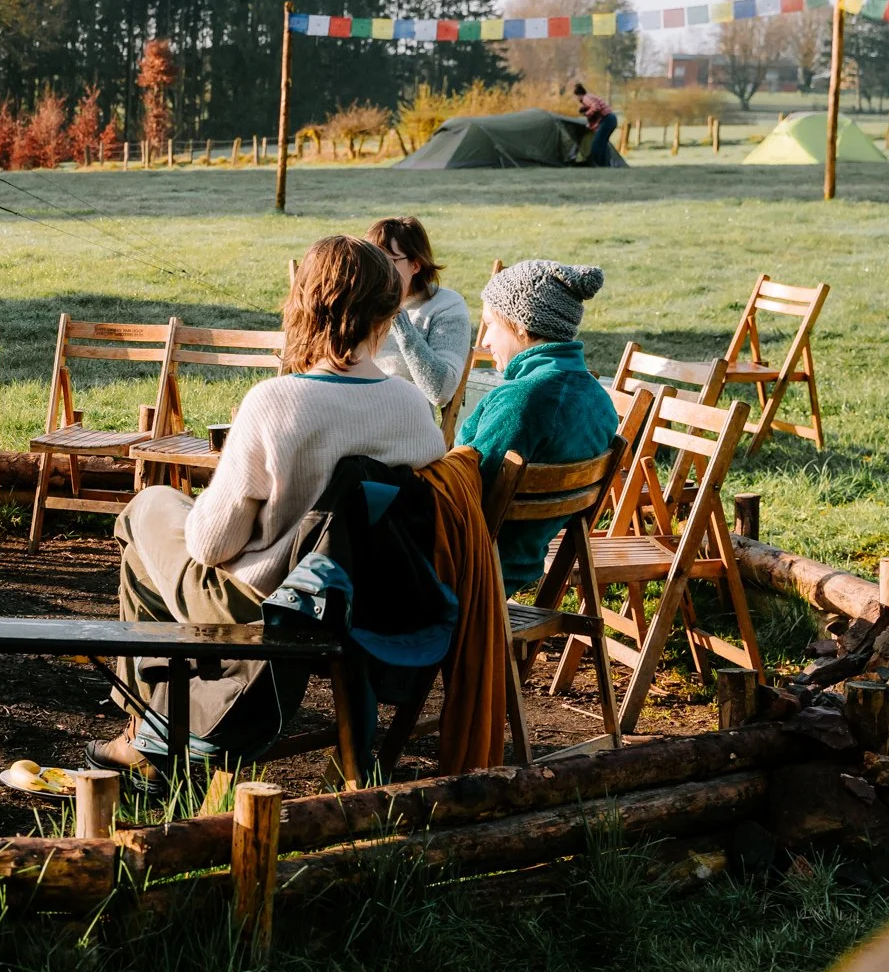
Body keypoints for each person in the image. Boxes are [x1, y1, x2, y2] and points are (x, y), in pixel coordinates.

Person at [90, 235, 446, 782]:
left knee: (146, 511)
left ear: (305, 306)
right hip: (362, 605)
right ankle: (159, 730)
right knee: (166, 519)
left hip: (262, 607)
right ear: (388, 311)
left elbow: (212, 547)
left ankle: (147, 738)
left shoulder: (275, 401)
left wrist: (220, 483)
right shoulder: (412, 407)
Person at [454, 260, 618, 591]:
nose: (484, 341)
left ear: (519, 325)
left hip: (468, 573)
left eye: (489, 326)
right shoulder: (599, 401)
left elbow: (462, 497)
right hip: (522, 565)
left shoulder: (520, 401)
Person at [367, 216, 471, 409]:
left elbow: (441, 391)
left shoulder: (446, 306)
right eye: (371, 259)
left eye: (388, 260)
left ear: (415, 265)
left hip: (403, 424)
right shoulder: (357, 301)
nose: (376, 269)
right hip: (349, 415)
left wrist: (398, 318)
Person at [574, 82, 618, 167]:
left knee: (597, 145)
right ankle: (606, 165)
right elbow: (596, 121)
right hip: (611, 119)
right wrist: (590, 126)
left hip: (608, 119)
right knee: (603, 144)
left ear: (579, 95)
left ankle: (600, 164)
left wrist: (587, 113)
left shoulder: (586, 98)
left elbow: (596, 107)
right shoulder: (591, 98)